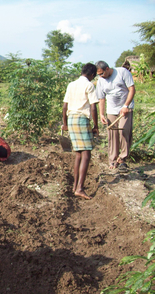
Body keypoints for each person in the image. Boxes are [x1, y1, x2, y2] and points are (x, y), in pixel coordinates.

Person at [62, 63, 99, 200]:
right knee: (86, 153)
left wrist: (65, 124)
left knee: (78, 154)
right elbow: (93, 108)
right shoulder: (89, 85)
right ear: (92, 75)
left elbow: (65, 106)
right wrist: (96, 125)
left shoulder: (71, 84)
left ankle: (75, 186)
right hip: (82, 119)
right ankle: (80, 188)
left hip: (71, 119)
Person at [95, 60, 136, 171]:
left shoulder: (122, 72)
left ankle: (122, 159)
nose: (100, 76)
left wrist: (126, 106)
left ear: (107, 69)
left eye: (101, 73)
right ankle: (113, 160)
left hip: (125, 108)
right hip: (111, 110)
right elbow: (101, 98)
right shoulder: (100, 81)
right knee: (112, 135)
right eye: (98, 74)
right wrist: (102, 114)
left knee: (124, 132)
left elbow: (132, 89)